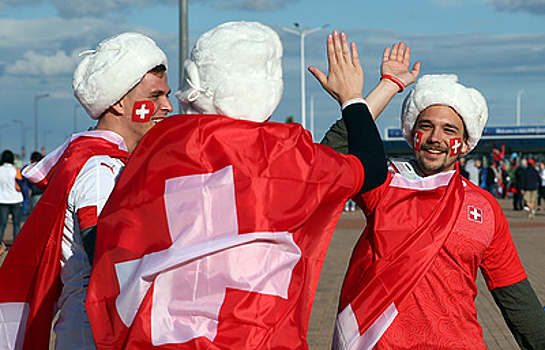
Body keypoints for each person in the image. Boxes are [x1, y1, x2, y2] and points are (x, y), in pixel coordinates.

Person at [85, 22, 398, 349]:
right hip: (255, 335)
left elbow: (113, 240)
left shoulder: (159, 148)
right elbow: (371, 167)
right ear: (268, 87)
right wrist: (352, 98)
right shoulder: (286, 155)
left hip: (161, 336)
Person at [322, 74, 545, 349]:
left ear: (464, 144)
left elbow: (515, 296)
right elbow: (327, 161)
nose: (435, 138)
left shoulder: (486, 207)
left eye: (449, 130)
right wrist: (386, 87)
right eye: (425, 126)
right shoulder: (385, 182)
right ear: (411, 133)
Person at [0, 32, 172, 349]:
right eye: (154, 97)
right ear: (119, 102)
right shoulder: (100, 170)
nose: (167, 106)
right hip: (93, 335)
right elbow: (109, 260)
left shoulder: (113, 162)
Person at [0, 149, 24, 254]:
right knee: (16, 224)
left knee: (2, 223)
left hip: (2, 199)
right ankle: (17, 246)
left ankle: (0, 243)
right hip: (16, 199)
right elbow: (20, 185)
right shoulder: (16, 170)